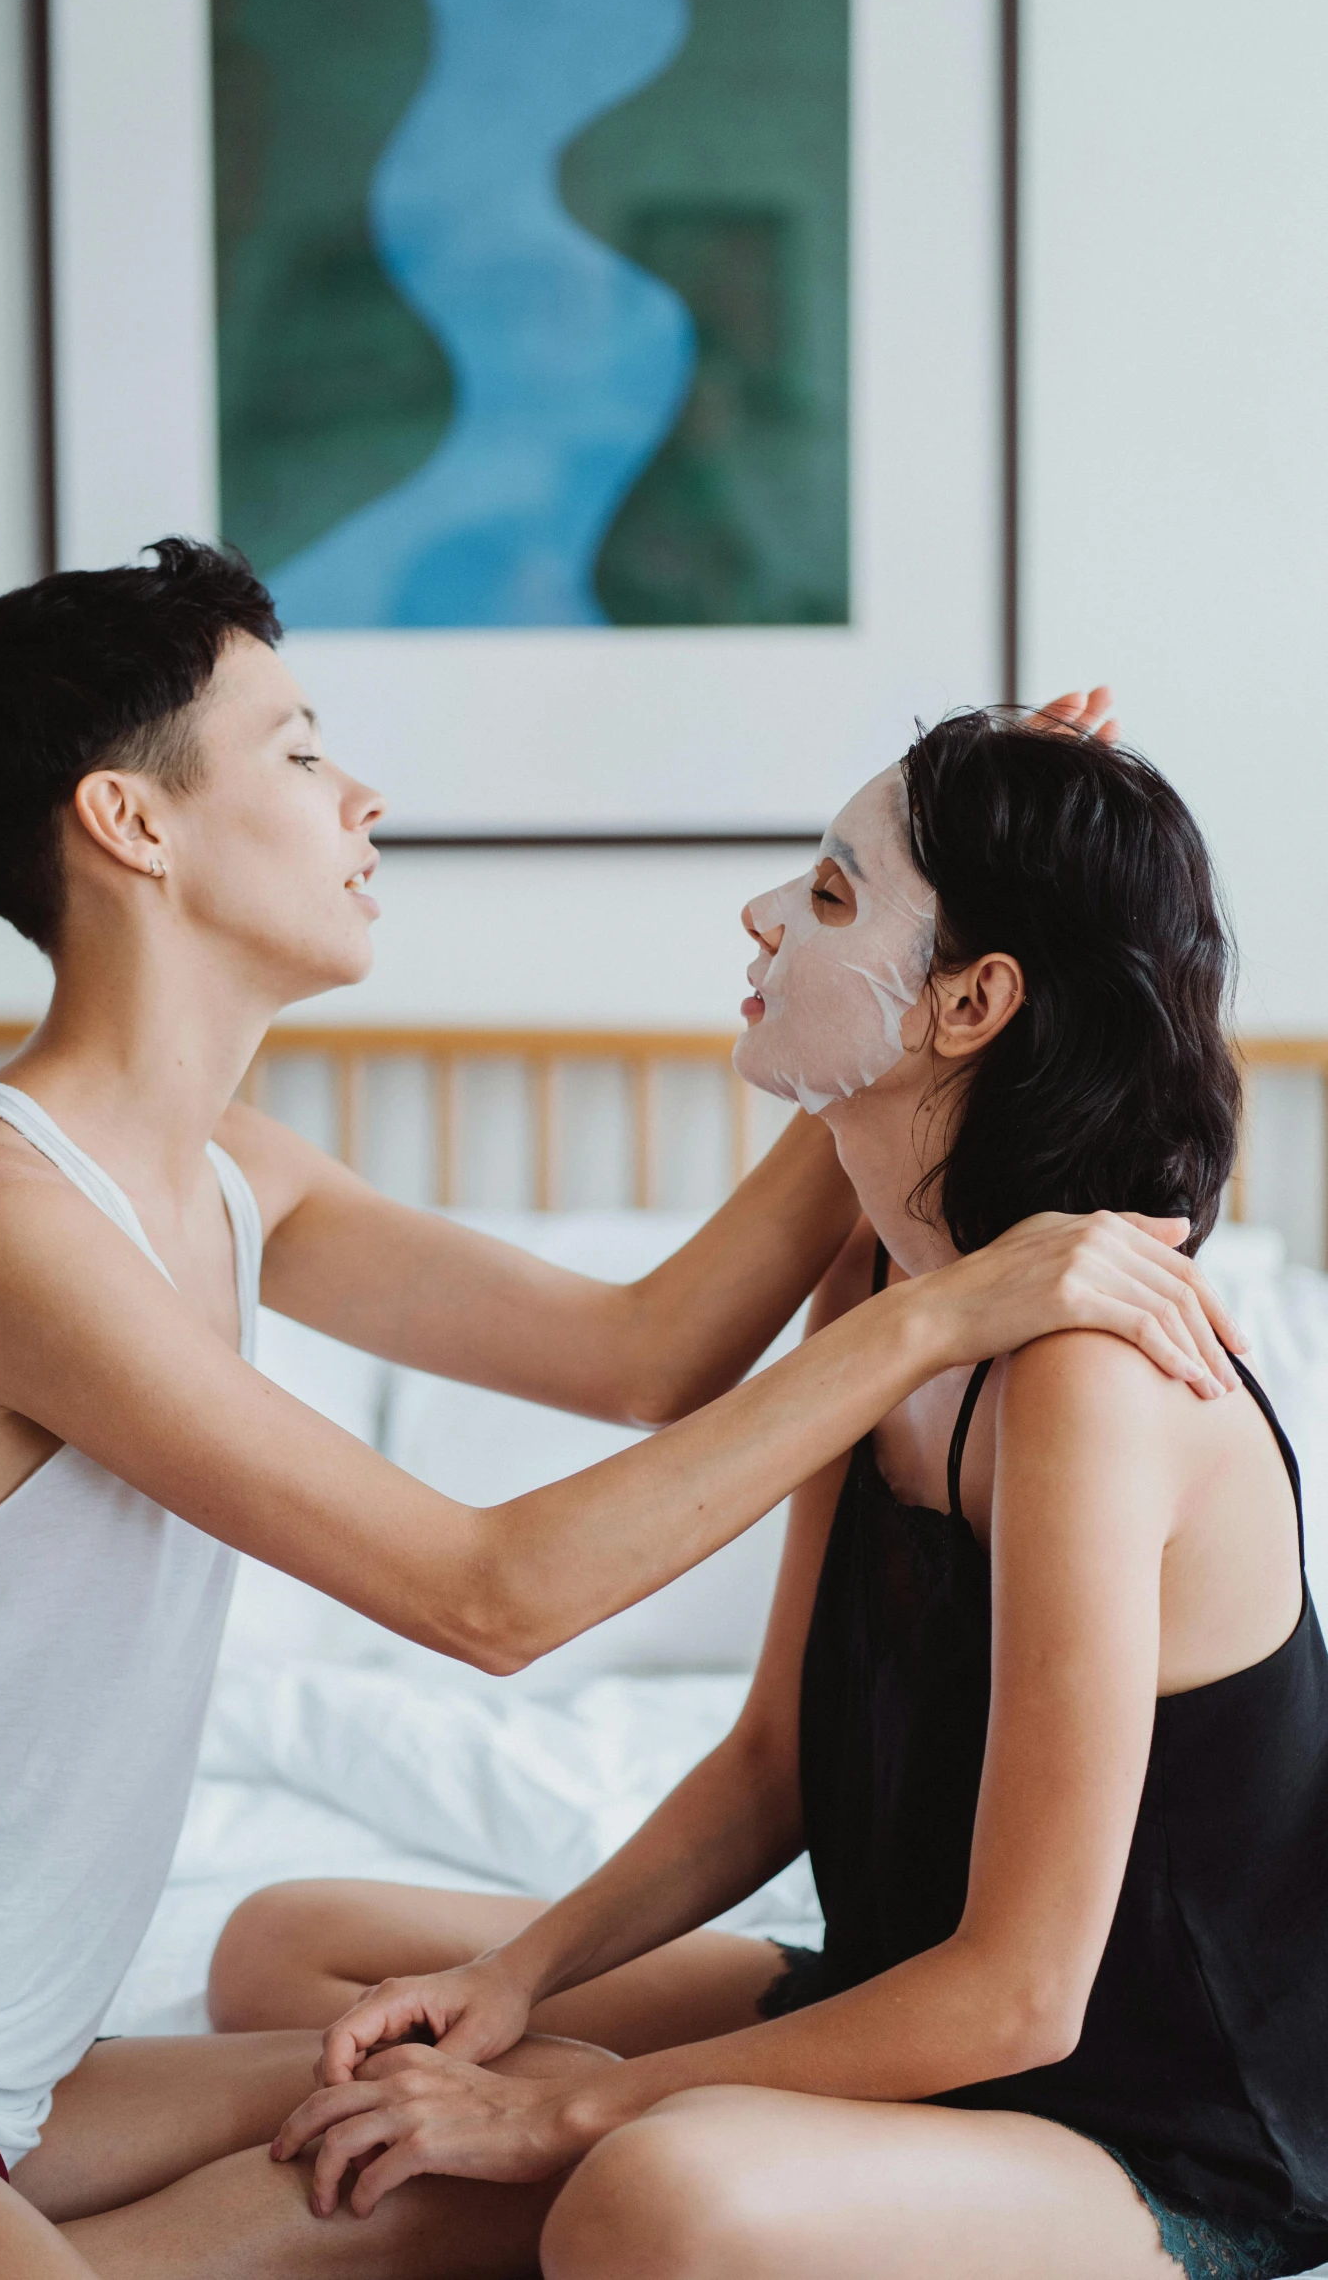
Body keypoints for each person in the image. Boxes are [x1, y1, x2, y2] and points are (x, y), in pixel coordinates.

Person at [0, 543, 1242, 2280]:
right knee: (500, 2117)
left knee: (524, 2091)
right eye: (301, 751)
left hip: (24, 2067)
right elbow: (489, 1593)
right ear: (132, 823)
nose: (360, 791)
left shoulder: (231, 1174)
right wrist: (943, 1307)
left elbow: (649, 1350)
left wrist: (962, 969)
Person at [221, 711, 1328, 2280]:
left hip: (1151, 2113)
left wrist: (562, 2120)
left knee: (651, 2194)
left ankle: (609, 2133)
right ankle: (595, 2102)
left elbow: (1024, 1993)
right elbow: (772, 1764)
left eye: (822, 895)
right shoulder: (881, 1280)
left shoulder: (1084, 1372)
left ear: (969, 1001)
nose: (758, 917)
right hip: (902, 1991)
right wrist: (518, 1984)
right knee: (286, 1949)